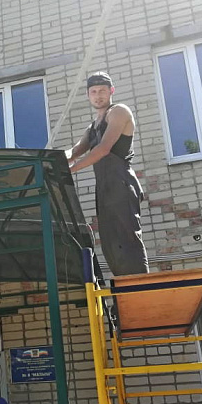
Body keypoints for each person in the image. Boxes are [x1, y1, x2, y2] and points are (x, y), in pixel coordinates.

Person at [66, 71, 149, 277]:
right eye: (93, 91)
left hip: (121, 183)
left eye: (102, 90)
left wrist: (70, 170)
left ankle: (140, 287)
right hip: (104, 189)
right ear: (88, 95)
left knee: (127, 237)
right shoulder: (93, 126)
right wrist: (52, 159)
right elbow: (74, 152)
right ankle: (123, 287)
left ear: (111, 91)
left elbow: (103, 149)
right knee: (111, 243)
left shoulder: (118, 112)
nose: (98, 95)